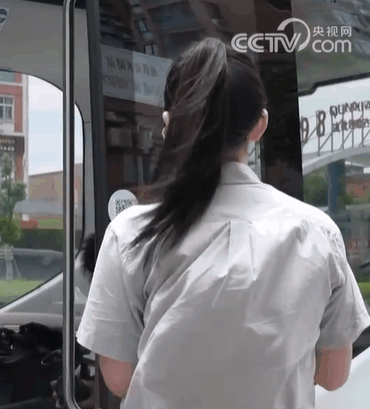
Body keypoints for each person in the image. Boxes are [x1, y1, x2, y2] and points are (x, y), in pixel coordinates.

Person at [76, 37, 370, 408]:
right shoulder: (317, 232)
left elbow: (118, 378)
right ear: (260, 125)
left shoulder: (130, 232)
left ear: (168, 124)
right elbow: (333, 375)